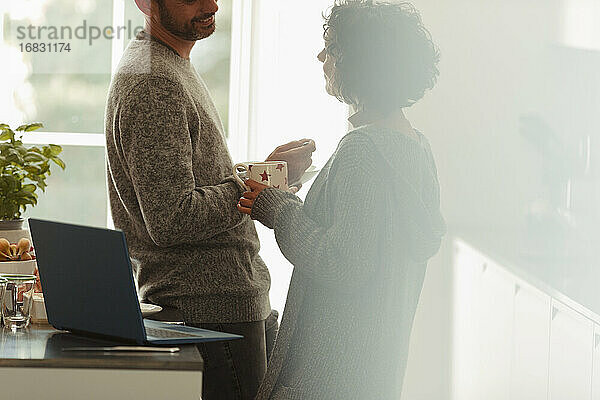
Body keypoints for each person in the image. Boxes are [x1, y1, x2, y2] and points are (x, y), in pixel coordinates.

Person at [104, 1, 315, 399]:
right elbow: (172, 218)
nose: (212, 4)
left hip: (224, 305)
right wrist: (253, 182)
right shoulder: (155, 83)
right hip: (209, 311)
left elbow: (191, 182)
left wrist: (266, 176)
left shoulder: (168, 65)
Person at [237, 1, 446, 398]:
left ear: (359, 63)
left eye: (330, 47)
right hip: (372, 376)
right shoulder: (415, 147)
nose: (321, 56)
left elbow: (343, 263)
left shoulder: (361, 151)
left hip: (328, 376)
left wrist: (279, 208)